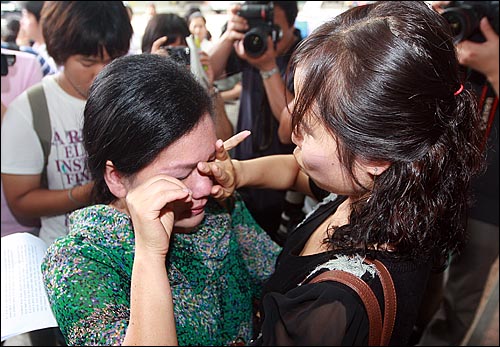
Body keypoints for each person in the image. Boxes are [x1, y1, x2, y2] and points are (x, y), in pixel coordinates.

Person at [140, 1, 484, 345]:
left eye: (307, 127)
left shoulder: (329, 309)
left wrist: (150, 256)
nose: (292, 135)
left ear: (375, 155)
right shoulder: (392, 192)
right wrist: (239, 173)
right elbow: (294, 171)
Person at [41, 53, 281, 346]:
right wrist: (151, 255)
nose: (204, 186)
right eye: (179, 177)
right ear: (116, 178)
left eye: (207, 162)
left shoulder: (219, 206)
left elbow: (278, 280)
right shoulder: (78, 262)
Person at [415, 1, 499, 345]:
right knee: (422, 280)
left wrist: (496, 70)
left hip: (490, 198)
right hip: (441, 180)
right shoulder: (465, 25)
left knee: (461, 307)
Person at [209, 1, 304, 246]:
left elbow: (292, 127)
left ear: (292, 23)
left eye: (273, 27)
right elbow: (207, 74)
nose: (264, 35)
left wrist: (268, 67)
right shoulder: (249, 44)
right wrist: (231, 35)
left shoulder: (306, 57)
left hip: (285, 173)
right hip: (243, 165)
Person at [142, 12, 234, 141]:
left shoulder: (195, 89)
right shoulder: (137, 90)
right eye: (169, 51)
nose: (175, 60)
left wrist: (207, 86)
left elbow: (224, 138)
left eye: (180, 51)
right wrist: (153, 75)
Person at [18, 1, 57, 74]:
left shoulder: (52, 54)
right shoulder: (34, 48)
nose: (21, 21)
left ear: (42, 19)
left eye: (27, 16)